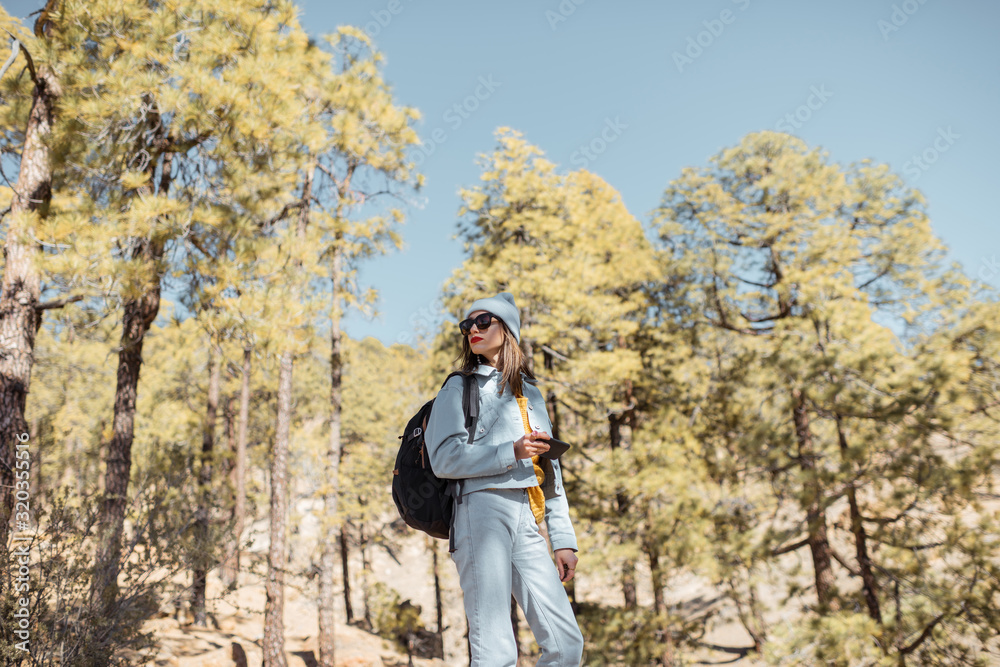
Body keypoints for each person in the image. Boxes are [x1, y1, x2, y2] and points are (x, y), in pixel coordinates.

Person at [424, 291, 585, 667]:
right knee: (496, 652)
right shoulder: (458, 387)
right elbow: (444, 459)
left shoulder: (532, 394)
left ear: (507, 330)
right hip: (480, 512)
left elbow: (550, 472)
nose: (473, 331)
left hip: (527, 515)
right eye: (468, 325)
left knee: (566, 645)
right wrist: (509, 452)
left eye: (484, 322)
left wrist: (563, 540)